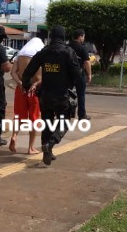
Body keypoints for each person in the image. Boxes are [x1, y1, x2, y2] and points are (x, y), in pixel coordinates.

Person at [22, 25, 82, 166]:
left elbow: (28, 72)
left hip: (45, 95)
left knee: (47, 123)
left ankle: (47, 152)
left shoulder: (44, 52)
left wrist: (26, 86)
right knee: (64, 122)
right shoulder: (68, 52)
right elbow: (78, 75)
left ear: (51, 37)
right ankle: (50, 143)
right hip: (62, 95)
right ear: (63, 37)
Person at [9, 37, 44, 154]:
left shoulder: (21, 54)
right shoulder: (40, 55)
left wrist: (19, 83)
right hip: (35, 90)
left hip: (21, 89)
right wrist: (36, 84)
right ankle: (31, 147)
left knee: (18, 116)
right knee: (34, 119)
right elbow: (43, 77)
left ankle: (14, 136)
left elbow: (13, 72)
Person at [68, 29, 92, 120]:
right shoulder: (82, 47)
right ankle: (82, 115)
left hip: (69, 75)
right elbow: (87, 62)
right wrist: (89, 75)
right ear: (80, 36)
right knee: (81, 95)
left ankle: (67, 113)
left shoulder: (68, 46)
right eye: (83, 36)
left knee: (67, 94)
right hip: (79, 74)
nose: (84, 38)